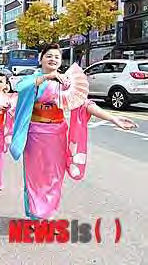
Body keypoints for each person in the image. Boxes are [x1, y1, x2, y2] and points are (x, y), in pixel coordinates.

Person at [10, 43, 137, 219]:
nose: (53, 59)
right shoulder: (33, 79)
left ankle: (48, 213)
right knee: (35, 175)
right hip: (35, 134)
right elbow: (22, 88)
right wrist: (47, 77)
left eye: (56, 57)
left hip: (57, 135)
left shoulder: (66, 82)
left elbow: (84, 104)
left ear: (61, 61)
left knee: (55, 176)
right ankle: (36, 213)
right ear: (41, 59)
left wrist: (113, 118)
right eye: (49, 56)